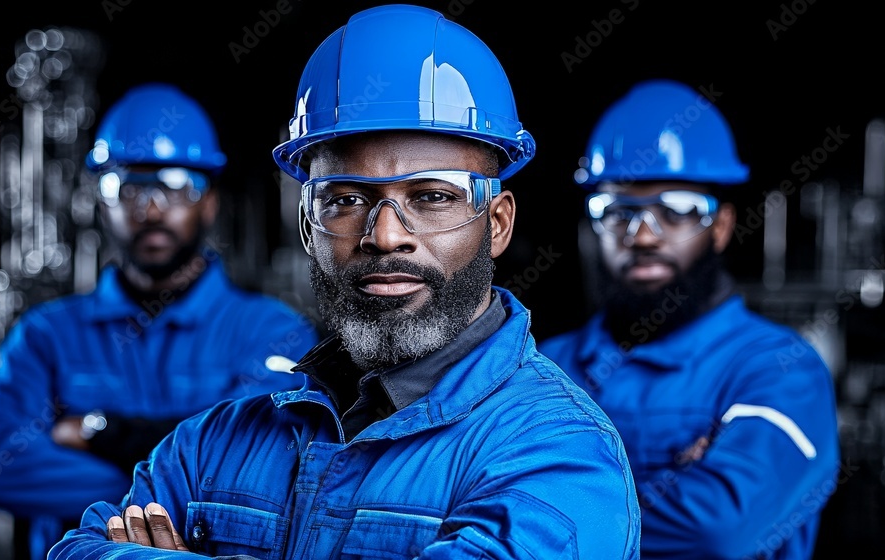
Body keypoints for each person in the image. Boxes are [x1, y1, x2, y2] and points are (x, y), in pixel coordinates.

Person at [49, 5, 642, 559]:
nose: (384, 236)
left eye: (432, 197)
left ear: (498, 223)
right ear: (308, 227)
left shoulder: (557, 456)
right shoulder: (212, 443)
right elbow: (78, 547)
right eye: (346, 199)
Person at [0, 82, 320, 560]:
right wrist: (180, 483)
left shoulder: (273, 332)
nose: (150, 209)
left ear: (209, 202)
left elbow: (266, 469)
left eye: (174, 185)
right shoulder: (48, 335)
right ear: (99, 201)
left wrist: (98, 433)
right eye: (126, 187)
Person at [537, 78, 841, 558]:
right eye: (618, 210)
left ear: (720, 226)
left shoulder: (779, 370)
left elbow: (718, 530)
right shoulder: (545, 366)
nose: (643, 236)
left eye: (676, 210)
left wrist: (534, 512)